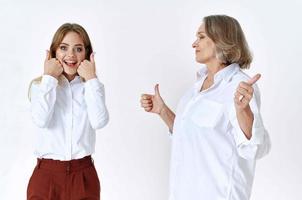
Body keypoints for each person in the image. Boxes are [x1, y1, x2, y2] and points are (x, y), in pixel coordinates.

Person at [140, 15, 271, 200]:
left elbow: (254, 148)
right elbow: (187, 135)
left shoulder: (240, 86)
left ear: (220, 39)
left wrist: (243, 110)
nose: (194, 44)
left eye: (201, 37)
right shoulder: (194, 91)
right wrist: (162, 111)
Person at [27, 23, 109, 200]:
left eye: (78, 49)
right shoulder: (41, 86)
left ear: (87, 54)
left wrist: (92, 79)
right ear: (54, 52)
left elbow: (99, 122)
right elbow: (41, 120)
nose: (71, 55)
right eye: (64, 48)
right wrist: (49, 78)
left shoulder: (92, 87)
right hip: (47, 176)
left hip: (83, 175)